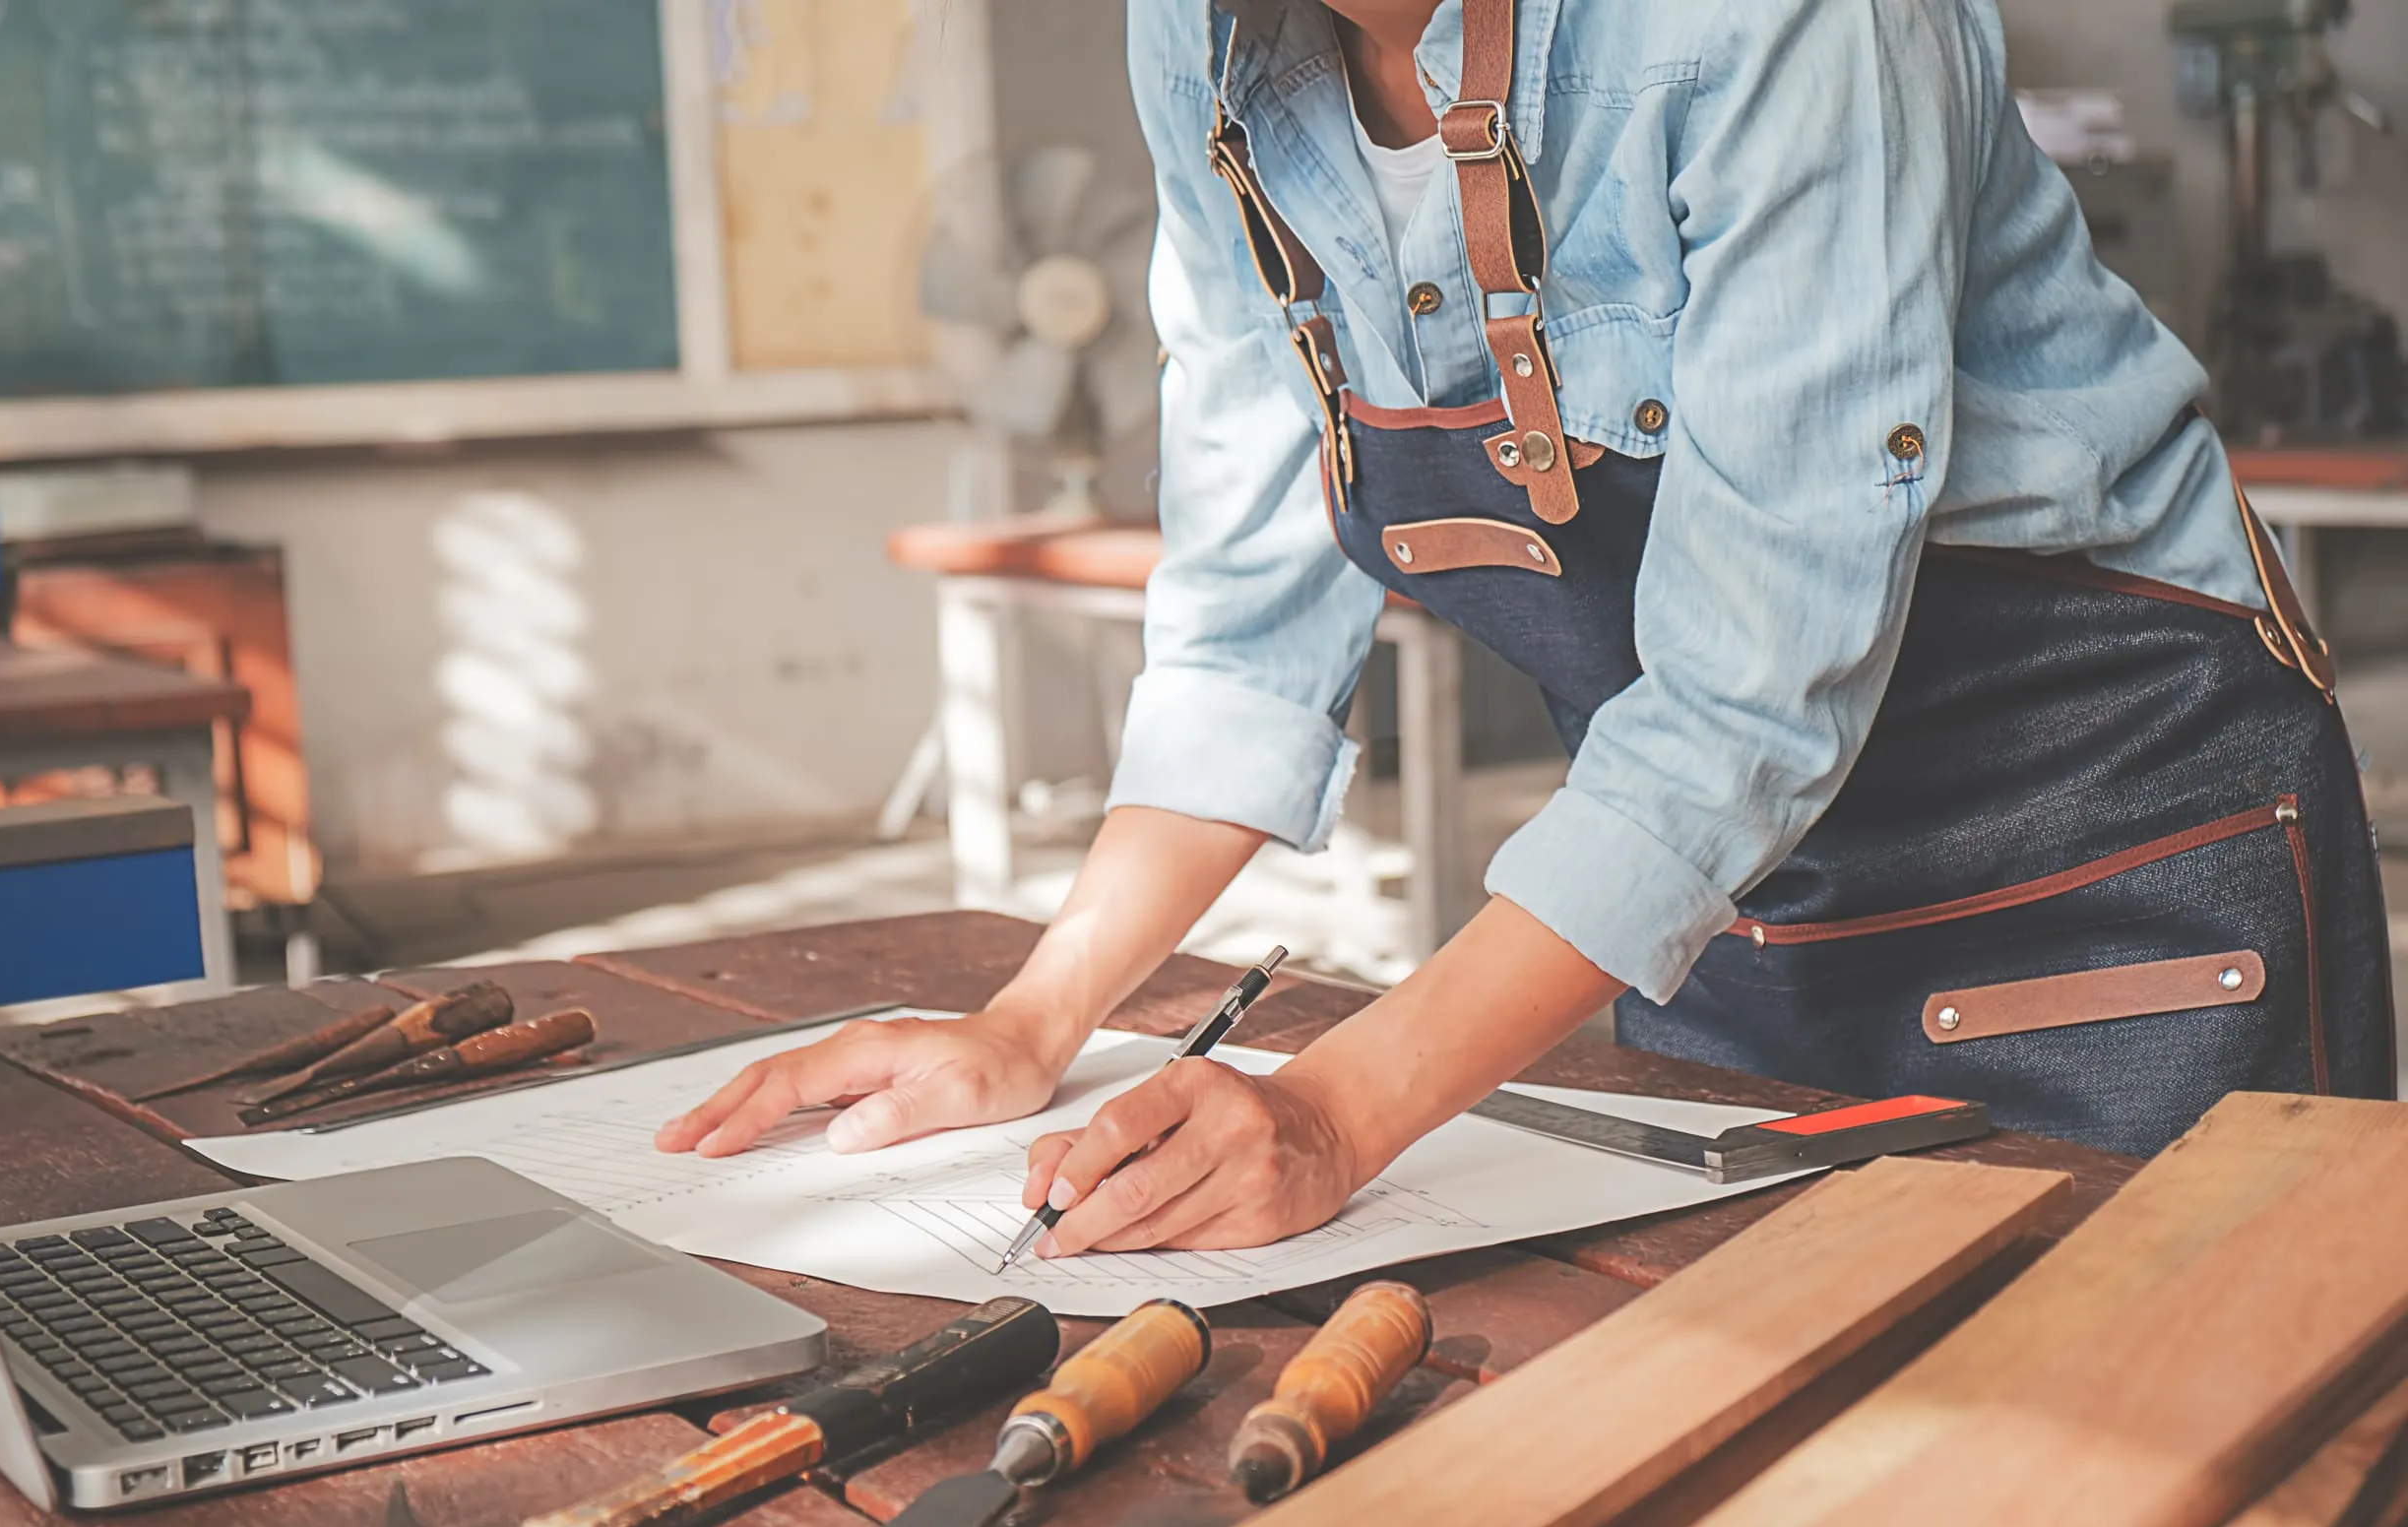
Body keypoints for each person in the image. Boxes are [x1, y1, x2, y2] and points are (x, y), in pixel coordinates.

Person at [657, 0, 2391, 1258]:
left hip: (2103, 850)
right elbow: (1251, 615)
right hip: (1734, 907)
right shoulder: (1203, 42)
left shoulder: (1783, 20)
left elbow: (1744, 694)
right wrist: (1030, 1024)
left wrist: (1335, 1113)